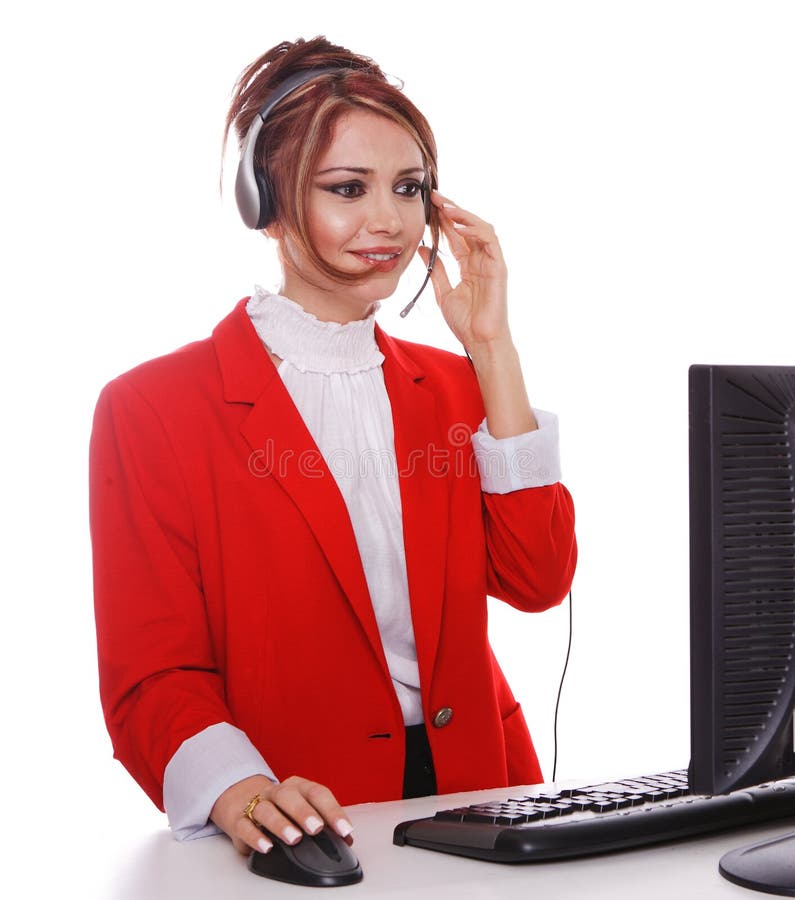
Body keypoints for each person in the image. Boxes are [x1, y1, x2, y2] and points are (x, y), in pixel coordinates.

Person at [89, 35, 577, 861]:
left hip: (483, 796)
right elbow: (152, 673)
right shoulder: (153, 407)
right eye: (346, 189)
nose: (388, 220)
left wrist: (491, 349)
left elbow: (537, 582)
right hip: (302, 809)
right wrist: (241, 789)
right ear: (266, 202)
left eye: (409, 188)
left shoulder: (457, 388)